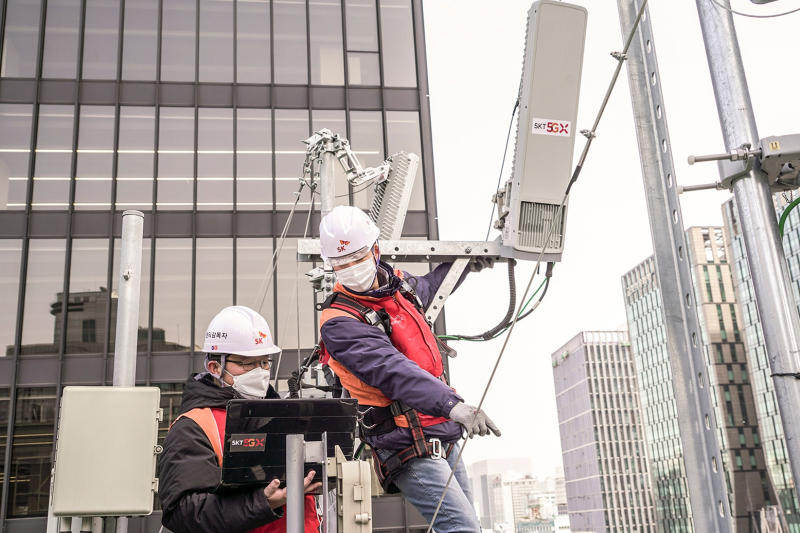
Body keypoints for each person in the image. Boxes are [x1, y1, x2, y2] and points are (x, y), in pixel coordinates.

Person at [317, 206, 501, 533]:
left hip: (440, 432)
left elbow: (430, 286)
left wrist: (465, 266)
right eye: (340, 262)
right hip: (405, 443)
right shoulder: (339, 322)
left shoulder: (398, 287)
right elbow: (392, 371)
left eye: (356, 257)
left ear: (375, 251)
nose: (349, 268)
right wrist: (453, 405)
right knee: (464, 530)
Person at [159, 305, 322, 533]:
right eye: (248, 363)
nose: (261, 371)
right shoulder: (194, 426)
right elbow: (181, 513)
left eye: (264, 362)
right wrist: (263, 503)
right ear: (215, 367)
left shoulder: (284, 416)